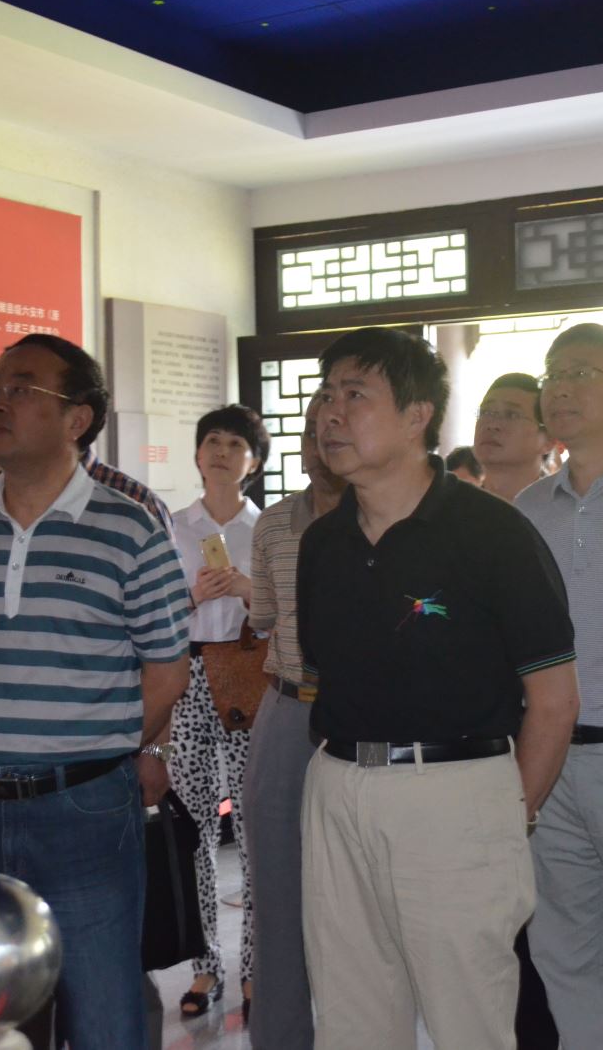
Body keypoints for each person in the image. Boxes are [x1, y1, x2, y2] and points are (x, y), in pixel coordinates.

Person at [297, 327, 580, 1050]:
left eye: (355, 395)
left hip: (456, 791)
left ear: (417, 415)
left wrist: (510, 814)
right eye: (325, 396)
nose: (330, 413)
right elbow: (323, 674)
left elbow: (554, 700)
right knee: (350, 1018)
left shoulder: (492, 533)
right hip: (336, 785)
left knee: (469, 1019)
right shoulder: (323, 543)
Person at [0, 333, 192, 1050]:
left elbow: (168, 670)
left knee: (102, 1011)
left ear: (77, 420)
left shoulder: (130, 528)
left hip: (84, 810)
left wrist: (98, 752)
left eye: (22, 387)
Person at [516, 322, 603, 1050]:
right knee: (568, 957)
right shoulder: (526, 509)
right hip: (548, 757)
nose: (558, 389)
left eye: (580, 373)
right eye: (552, 374)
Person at [240, 396, 347, 1050]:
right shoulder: (275, 523)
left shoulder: (385, 516)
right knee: (277, 898)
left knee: (360, 903)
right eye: (309, 432)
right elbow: (262, 617)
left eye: (333, 427)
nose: (319, 442)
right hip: (286, 711)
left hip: (366, 717)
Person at [167, 403, 270, 1019]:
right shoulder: (173, 526)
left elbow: (289, 616)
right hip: (188, 678)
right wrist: (191, 596)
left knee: (254, 830)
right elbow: (151, 615)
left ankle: (256, 969)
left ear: (253, 462)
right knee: (195, 829)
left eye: (236, 444)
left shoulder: (269, 529)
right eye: (213, 441)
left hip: (250, 679)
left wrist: (248, 590)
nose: (222, 452)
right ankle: (205, 967)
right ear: (198, 455)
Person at [473, 372, 554, 501]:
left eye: (512, 415)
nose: (492, 425)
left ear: (549, 440)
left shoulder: (567, 510)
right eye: (486, 412)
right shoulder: (453, 506)